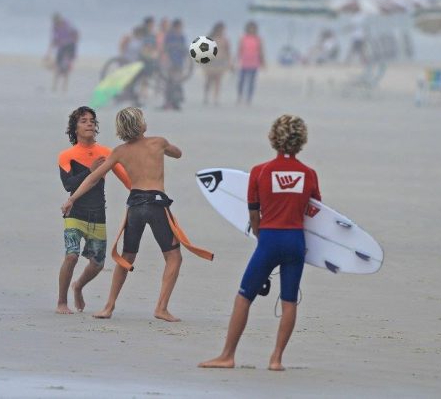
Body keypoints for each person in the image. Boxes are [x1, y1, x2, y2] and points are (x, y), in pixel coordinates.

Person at [61, 107, 212, 321]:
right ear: (141, 125)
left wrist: (71, 199)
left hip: (135, 207)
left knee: (126, 257)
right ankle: (161, 307)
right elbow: (178, 153)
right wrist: (167, 148)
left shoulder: (120, 151)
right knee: (174, 257)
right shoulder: (158, 142)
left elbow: (93, 178)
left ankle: (108, 307)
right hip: (156, 204)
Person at [199, 114, 321, 371]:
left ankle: (228, 355)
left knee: (244, 297)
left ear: (274, 138)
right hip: (296, 242)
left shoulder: (260, 171)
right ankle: (276, 359)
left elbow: (254, 214)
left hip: (269, 239)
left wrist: (260, 238)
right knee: (289, 301)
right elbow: (317, 217)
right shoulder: (309, 175)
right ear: (301, 141)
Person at [56, 106, 131, 314]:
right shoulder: (66, 155)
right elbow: (69, 185)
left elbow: (127, 181)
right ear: (75, 128)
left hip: (97, 214)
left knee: (97, 264)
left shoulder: (106, 153)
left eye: (91, 120)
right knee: (71, 256)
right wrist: (90, 171)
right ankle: (61, 302)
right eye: (83, 121)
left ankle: (78, 286)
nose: (89, 123)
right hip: (75, 214)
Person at [46, 13, 79, 92]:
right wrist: (48, 53)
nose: (56, 22)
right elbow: (54, 40)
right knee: (58, 67)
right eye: (55, 21)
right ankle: (54, 87)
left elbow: (76, 34)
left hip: (70, 46)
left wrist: (74, 46)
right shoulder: (55, 27)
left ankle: (64, 88)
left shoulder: (66, 24)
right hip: (63, 47)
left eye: (57, 21)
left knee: (66, 69)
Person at [203, 21, 231, 105]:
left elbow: (227, 51)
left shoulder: (225, 39)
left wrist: (229, 62)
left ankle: (216, 98)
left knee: (218, 81)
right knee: (209, 80)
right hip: (211, 61)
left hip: (220, 61)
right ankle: (206, 96)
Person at [162, 19, 188, 110]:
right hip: (171, 61)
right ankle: (168, 102)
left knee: (177, 82)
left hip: (179, 62)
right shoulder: (170, 36)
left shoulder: (181, 36)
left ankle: (176, 102)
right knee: (170, 82)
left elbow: (184, 50)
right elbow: (165, 48)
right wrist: (167, 60)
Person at [237, 21, 265, 105]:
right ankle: (240, 96)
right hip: (244, 62)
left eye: (253, 28)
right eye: (250, 28)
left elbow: (260, 50)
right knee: (241, 81)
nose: (251, 29)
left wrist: (263, 61)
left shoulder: (258, 39)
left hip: (254, 62)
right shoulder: (243, 38)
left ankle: (249, 98)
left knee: (251, 82)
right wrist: (237, 59)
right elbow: (240, 49)